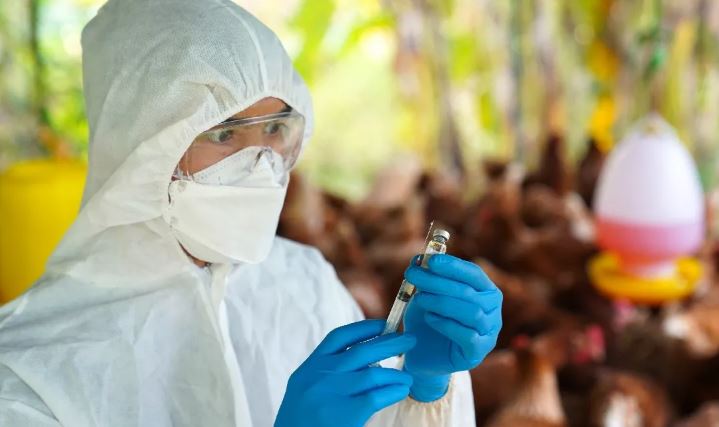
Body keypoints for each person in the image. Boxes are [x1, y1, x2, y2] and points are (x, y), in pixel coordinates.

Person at [0, 0, 502, 426]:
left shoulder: (303, 283)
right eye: (224, 134)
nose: (261, 164)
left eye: (275, 130)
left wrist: (424, 387)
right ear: (139, 147)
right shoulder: (31, 371)